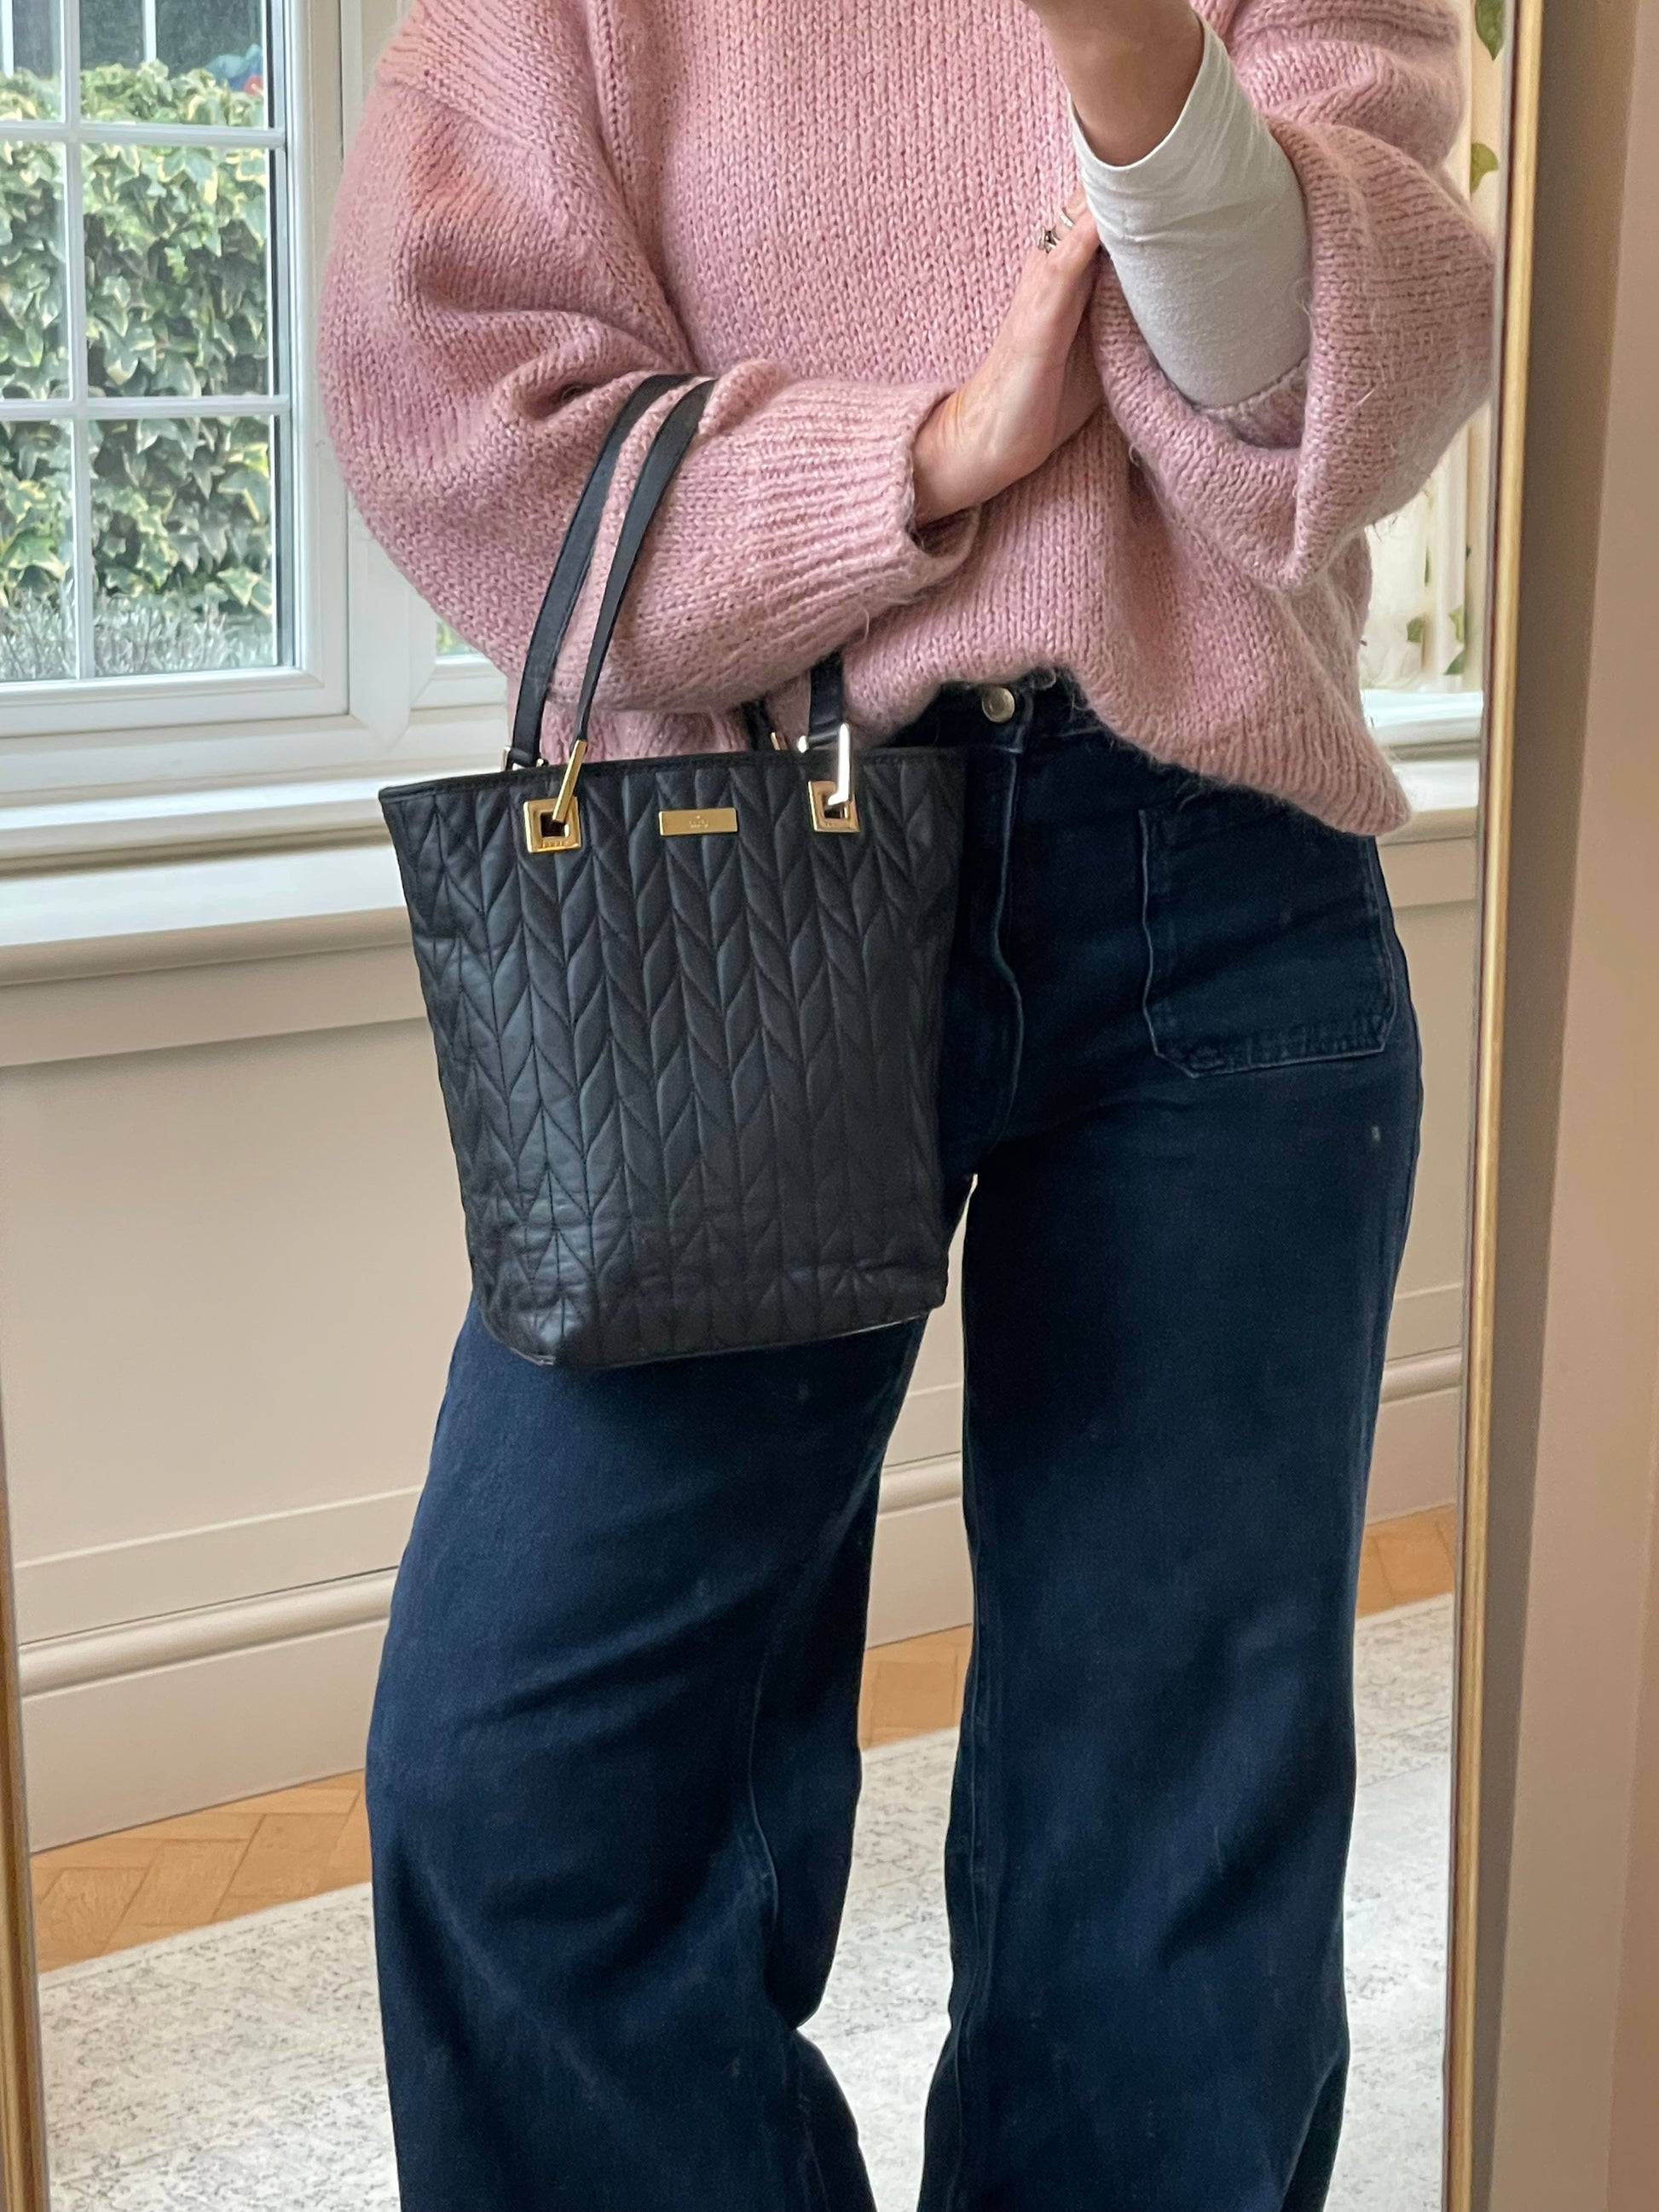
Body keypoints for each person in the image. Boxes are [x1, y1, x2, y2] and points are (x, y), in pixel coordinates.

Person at [319, 0, 1492, 2202]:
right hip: (730, 852)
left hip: (1209, 865)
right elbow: (449, 395)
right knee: (518, 1793)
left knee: (1162, 1882)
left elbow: (1353, 382)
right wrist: (916, 464)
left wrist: (1123, 50)